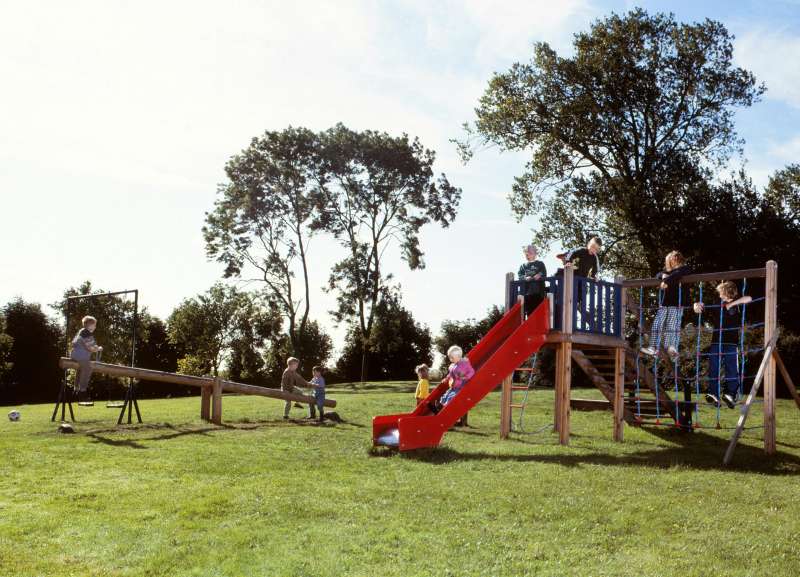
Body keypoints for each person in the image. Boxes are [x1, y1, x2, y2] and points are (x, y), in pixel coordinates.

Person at [694, 281, 752, 409]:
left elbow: (749, 298)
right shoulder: (717, 305)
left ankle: (730, 394)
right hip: (716, 342)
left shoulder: (738, 305)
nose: (719, 295)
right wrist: (696, 305)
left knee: (732, 369)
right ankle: (713, 393)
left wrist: (731, 304)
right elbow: (701, 307)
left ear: (726, 292)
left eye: (721, 292)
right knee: (714, 368)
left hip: (731, 343)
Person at [641, 251, 690, 359]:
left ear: (676, 259)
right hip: (665, 303)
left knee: (672, 325)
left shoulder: (684, 269)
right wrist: (663, 276)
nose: (669, 263)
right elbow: (658, 274)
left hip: (677, 303)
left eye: (670, 260)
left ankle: (671, 347)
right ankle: (653, 347)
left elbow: (678, 274)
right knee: (657, 324)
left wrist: (666, 280)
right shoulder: (668, 272)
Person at [70, 315, 102, 404]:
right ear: (90, 325)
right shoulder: (86, 333)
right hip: (81, 355)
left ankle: (76, 388)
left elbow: (87, 344)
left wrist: (95, 347)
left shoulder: (82, 332)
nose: (95, 327)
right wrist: (98, 349)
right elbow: (91, 348)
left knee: (80, 369)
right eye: (94, 325)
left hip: (76, 354)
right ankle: (82, 391)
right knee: (88, 369)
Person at [518, 245, 547, 316]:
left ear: (535, 253)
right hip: (527, 293)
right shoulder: (523, 266)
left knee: (538, 311)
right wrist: (525, 277)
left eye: (531, 252)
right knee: (529, 311)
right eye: (527, 253)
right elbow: (520, 275)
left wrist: (539, 275)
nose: (529, 254)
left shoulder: (540, 264)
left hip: (538, 293)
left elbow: (544, 272)